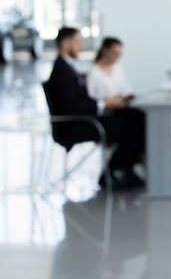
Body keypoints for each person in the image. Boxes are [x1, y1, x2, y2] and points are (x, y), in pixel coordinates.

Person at [47, 27, 145, 189]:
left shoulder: (68, 66)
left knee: (134, 116)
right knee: (131, 126)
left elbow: (79, 100)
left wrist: (105, 101)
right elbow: (71, 106)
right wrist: (103, 104)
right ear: (65, 44)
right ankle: (112, 172)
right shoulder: (61, 70)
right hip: (75, 125)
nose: (80, 47)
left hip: (83, 119)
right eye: (77, 42)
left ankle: (125, 170)